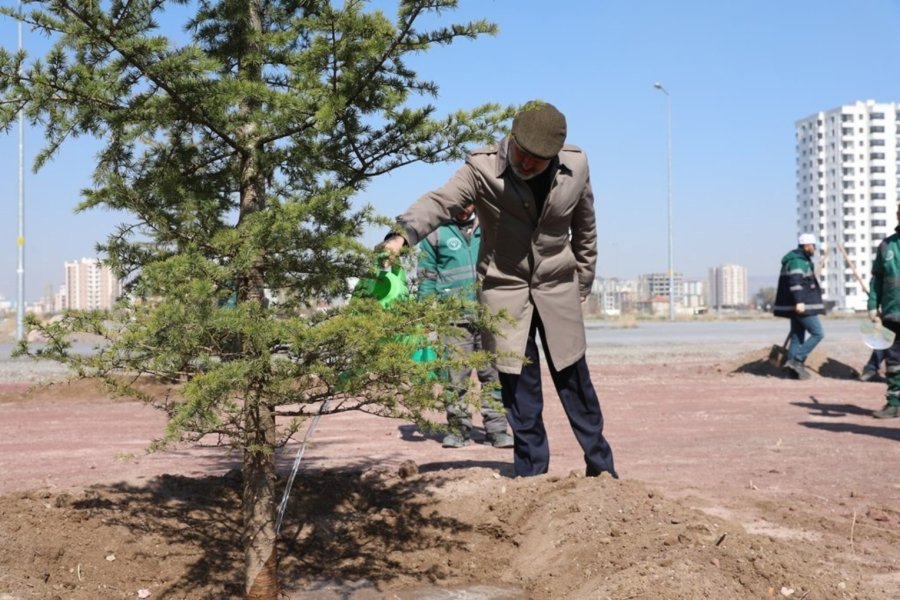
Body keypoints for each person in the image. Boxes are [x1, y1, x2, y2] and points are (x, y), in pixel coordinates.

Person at [382, 101, 617, 478]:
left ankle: (601, 469)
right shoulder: (481, 168)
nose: (525, 165)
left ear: (554, 156)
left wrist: (582, 284)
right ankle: (531, 475)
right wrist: (401, 236)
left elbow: (585, 229)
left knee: (576, 385)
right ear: (511, 139)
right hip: (504, 290)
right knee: (520, 392)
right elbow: (440, 202)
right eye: (521, 155)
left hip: (558, 289)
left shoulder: (577, 167)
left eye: (537, 161)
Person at [417, 201, 514, 449]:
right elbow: (427, 276)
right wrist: (425, 312)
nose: (463, 210)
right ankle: (459, 430)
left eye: (468, 205)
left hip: (488, 315)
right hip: (453, 319)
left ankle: (497, 430)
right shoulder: (436, 232)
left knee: (493, 376)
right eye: (458, 206)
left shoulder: (492, 225)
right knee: (454, 378)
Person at [773, 233, 825, 380]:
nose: (815, 249)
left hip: (797, 305)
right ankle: (797, 361)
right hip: (802, 305)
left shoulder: (801, 260)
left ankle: (791, 373)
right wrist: (799, 301)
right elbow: (795, 282)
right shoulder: (798, 261)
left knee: (797, 337)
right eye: (814, 246)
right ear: (807, 246)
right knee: (818, 333)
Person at [866, 205, 900, 418]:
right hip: (891, 314)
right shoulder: (886, 246)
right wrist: (872, 305)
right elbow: (876, 280)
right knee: (893, 361)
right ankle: (894, 403)